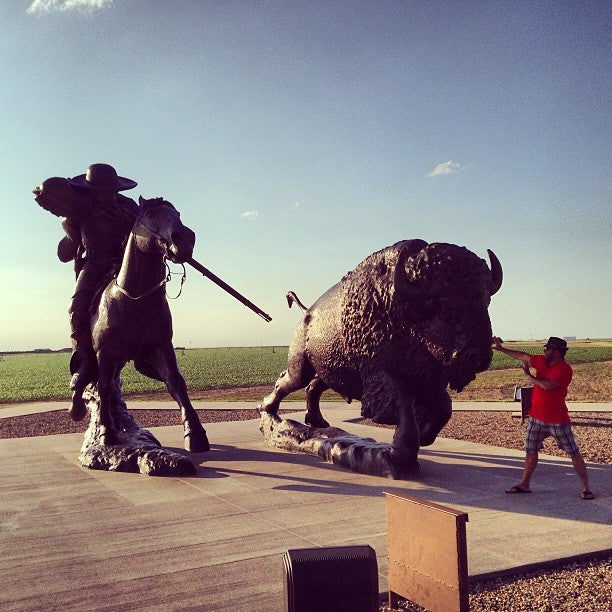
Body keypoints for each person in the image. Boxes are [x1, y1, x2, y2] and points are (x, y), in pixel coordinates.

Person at [33, 163, 139, 419]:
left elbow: (147, 229)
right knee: (75, 307)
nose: (108, 195)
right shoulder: (79, 212)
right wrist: (72, 231)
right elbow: (66, 250)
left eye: (111, 190)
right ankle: (83, 360)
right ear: (92, 191)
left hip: (125, 265)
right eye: (102, 191)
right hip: (95, 265)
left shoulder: (128, 207)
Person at [492, 336, 594, 500]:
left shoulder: (565, 369)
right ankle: (524, 484)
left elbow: (547, 386)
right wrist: (502, 349)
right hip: (536, 418)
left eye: (547, 349)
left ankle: (586, 488)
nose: (544, 351)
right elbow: (523, 356)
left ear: (556, 352)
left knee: (573, 452)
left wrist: (528, 376)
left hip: (558, 420)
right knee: (530, 451)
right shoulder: (541, 362)